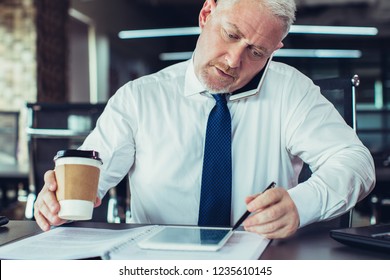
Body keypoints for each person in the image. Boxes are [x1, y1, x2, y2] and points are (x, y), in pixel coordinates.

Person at [34, 0, 375, 239]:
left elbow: (356, 162)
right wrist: (55, 201)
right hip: (157, 264)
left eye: (256, 52)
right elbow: (89, 174)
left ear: (274, 50)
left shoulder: (290, 90)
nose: (233, 61)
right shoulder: (139, 98)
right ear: (206, 13)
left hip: (258, 261)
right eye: (230, 34)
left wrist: (303, 203)